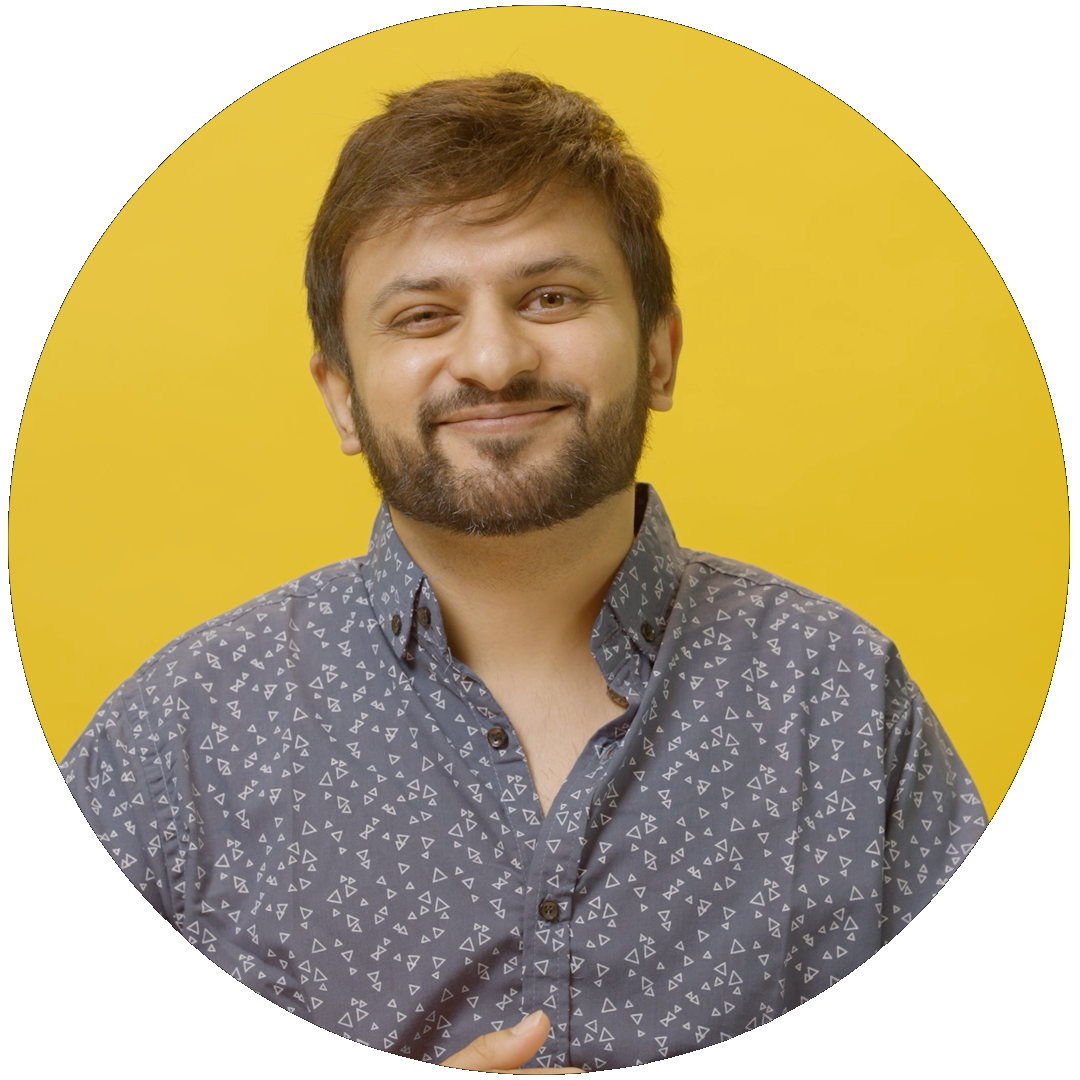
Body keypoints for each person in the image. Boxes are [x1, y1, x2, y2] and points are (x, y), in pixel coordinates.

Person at [60, 72, 984, 1070]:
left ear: (660, 353)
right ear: (340, 396)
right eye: (424, 316)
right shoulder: (179, 733)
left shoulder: (845, 697)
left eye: (551, 298)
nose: (495, 361)